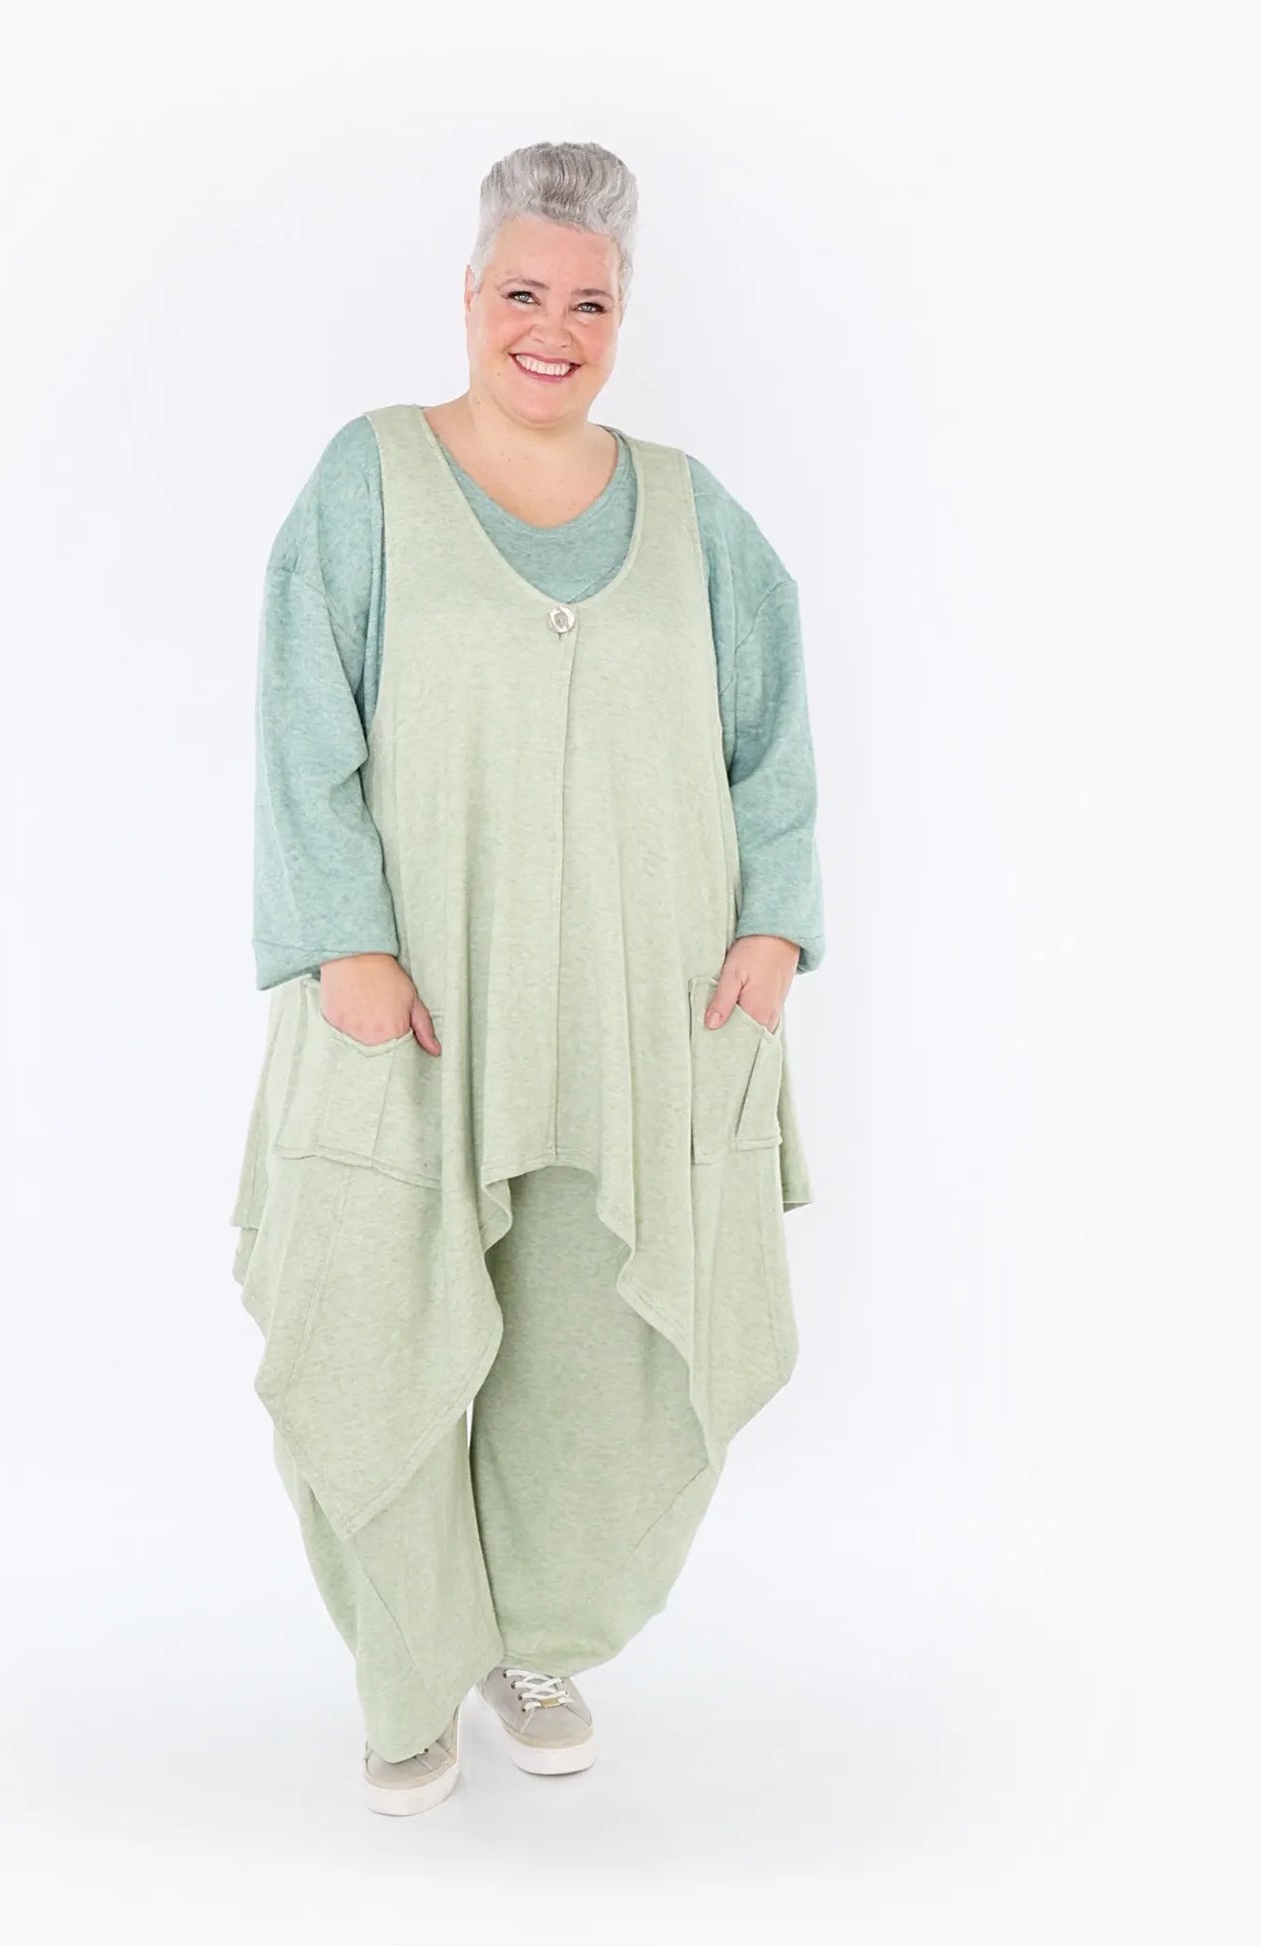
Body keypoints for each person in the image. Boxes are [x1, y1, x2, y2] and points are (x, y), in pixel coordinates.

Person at [229, 139, 826, 1816]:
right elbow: (299, 723)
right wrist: (345, 939)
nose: (550, 331)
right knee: (382, 1314)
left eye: (589, 303)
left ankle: (535, 1634)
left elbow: (772, 735)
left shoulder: (695, 514)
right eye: (521, 293)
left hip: (638, 1014)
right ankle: (410, 1667)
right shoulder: (370, 479)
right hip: (408, 1003)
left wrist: (771, 926)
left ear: (623, 316)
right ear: (469, 293)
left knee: (591, 1344)